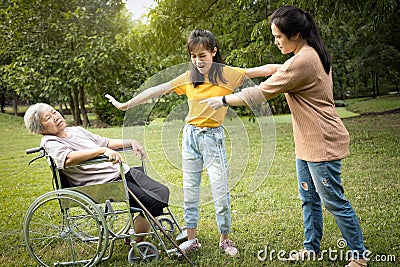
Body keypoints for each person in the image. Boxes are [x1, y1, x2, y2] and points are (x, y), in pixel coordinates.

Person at [200, 6, 367, 267]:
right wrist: (235, 72)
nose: (276, 41)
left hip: (322, 141)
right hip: (308, 142)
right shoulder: (307, 54)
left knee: (333, 200)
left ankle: (359, 256)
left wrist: (221, 99)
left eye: (279, 37)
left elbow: (260, 93)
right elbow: (274, 69)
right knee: (309, 198)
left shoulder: (304, 60)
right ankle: (311, 248)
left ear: (296, 34)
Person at [105, 29, 281, 256]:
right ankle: (191, 239)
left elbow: (263, 70)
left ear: (213, 52)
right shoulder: (189, 77)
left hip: (213, 138)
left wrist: (296, 63)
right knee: (190, 191)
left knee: (220, 190)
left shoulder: (227, 74)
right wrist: (125, 105)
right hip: (190, 138)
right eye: (193, 56)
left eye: (202, 55)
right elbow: (156, 90)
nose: (198, 61)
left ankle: (225, 239)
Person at [24, 102, 169, 243]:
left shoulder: (76, 130)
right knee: (153, 202)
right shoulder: (50, 141)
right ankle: (137, 242)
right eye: (48, 118)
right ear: (41, 129)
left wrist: (130, 142)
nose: (55, 117)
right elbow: (67, 159)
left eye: (54, 112)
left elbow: (105, 142)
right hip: (107, 182)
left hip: (122, 171)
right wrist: (101, 151)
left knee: (162, 192)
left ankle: (136, 230)